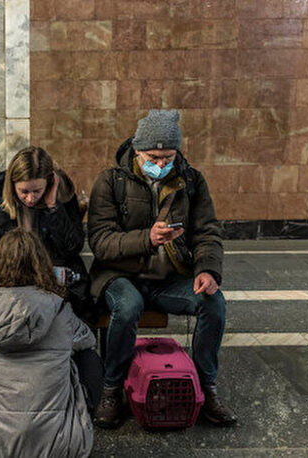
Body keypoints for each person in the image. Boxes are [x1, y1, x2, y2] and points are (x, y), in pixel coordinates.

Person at [87, 109, 237, 428]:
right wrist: (148, 238)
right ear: (137, 151)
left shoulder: (191, 180)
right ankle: (111, 389)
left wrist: (207, 270)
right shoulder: (109, 181)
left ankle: (206, 388)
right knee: (127, 308)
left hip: (169, 277)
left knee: (214, 302)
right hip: (120, 275)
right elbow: (101, 242)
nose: (161, 164)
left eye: (168, 156)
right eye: (153, 157)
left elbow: (207, 231)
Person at [0, 228, 101, 457]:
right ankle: (78, 420)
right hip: (61, 445)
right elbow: (88, 339)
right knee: (88, 357)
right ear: (43, 266)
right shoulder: (59, 310)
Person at [0, 146, 96, 324]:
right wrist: (12, 265)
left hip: (55, 278)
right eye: (24, 192)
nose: (30, 199)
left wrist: (53, 207)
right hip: (13, 279)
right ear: (12, 186)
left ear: (49, 184)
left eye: (37, 191)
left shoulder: (63, 195)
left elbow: (73, 247)